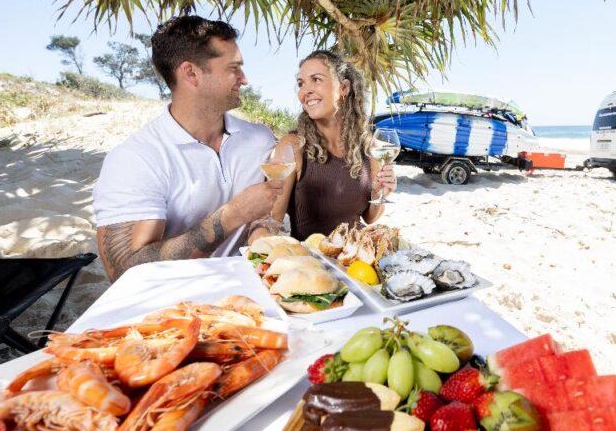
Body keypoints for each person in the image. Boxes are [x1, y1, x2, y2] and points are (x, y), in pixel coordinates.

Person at [92, 15, 282, 282]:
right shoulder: (135, 159)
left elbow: (270, 215)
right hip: (178, 308)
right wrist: (232, 215)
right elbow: (125, 272)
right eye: (233, 68)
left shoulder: (260, 139)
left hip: (260, 293)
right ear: (191, 73)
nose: (244, 79)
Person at [258, 50, 396, 242]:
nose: (305, 91)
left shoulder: (367, 147)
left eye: (316, 79)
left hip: (355, 261)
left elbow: (370, 218)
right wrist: (260, 249)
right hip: (312, 265)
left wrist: (378, 192)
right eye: (301, 83)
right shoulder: (292, 146)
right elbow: (269, 221)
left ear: (344, 88)